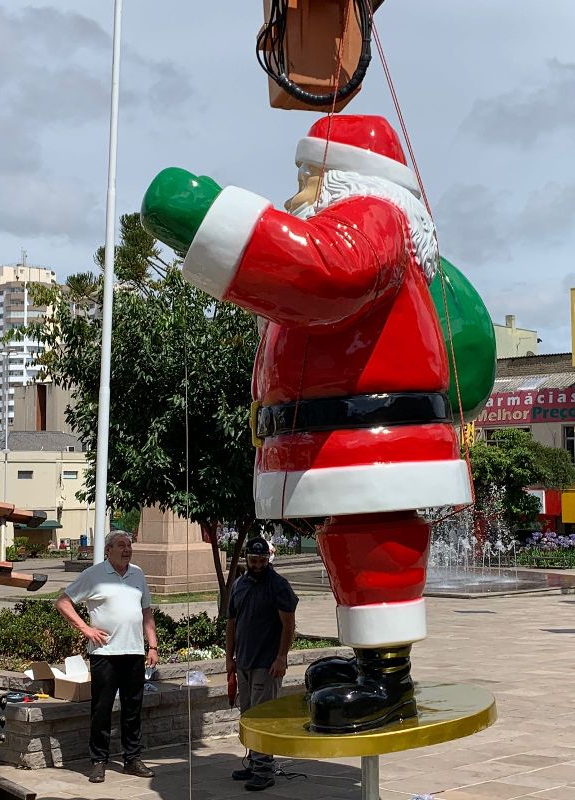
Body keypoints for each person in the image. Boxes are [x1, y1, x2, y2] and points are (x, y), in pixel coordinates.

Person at [141, 114, 492, 733]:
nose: (300, 188)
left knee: (375, 536)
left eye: (308, 174)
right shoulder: (367, 221)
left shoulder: (372, 217)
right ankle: (374, 664)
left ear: (346, 176)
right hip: (342, 434)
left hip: (371, 433)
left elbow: (325, 275)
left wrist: (208, 219)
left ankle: (388, 678)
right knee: (353, 537)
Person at [55, 530, 158, 783]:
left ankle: (132, 758)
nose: (127, 549)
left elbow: (146, 611)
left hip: (133, 652)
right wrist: (86, 629)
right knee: (101, 709)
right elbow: (63, 602)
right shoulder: (94, 575)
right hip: (105, 654)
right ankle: (98, 761)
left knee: (132, 709)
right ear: (108, 550)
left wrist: (152, 645)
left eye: (129, 545)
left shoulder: (138, 574)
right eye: (121, 545)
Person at [226, 536, 298, 791]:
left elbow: (288, 624)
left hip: (267, 663)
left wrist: (281, 657)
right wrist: (229, 662)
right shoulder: (239, 585)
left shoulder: (278, 585)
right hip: (244, 660)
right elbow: (231, 623)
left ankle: (265, 770)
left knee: (263, 716)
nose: (257, 565)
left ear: (269, 559)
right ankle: (254, 763)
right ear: (247, 558)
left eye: (262, 560)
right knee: (247, 715)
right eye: (253, 560)